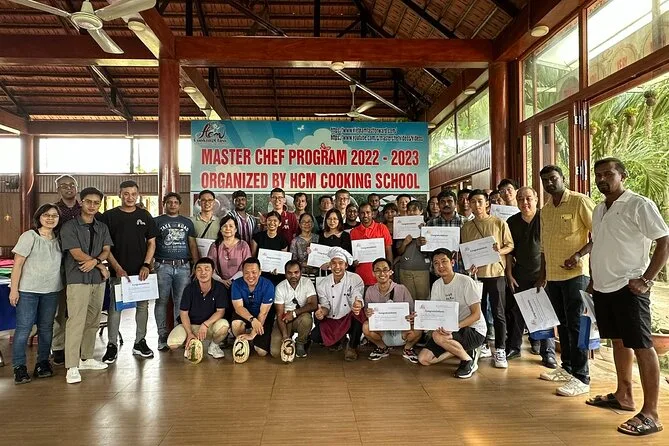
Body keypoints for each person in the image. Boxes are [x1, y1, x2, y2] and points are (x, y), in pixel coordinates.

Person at [585, 158, 669, 436]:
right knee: (618, 340)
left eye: (608, 174)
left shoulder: (639, 204)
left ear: (623, 176)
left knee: (642, 345)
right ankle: (624, 395)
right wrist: (594, 279)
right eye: (598, 175)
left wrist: (646, 280)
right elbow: (600, 244)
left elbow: (664, 240)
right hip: (604, 287)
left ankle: (651, 414)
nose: (602, 179)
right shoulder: (599, 208)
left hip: (630, 287)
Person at [537, 164, 595, 397]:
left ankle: (582, 376)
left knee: (576, 324)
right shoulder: (546, 209)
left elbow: (598, 234)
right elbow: (543, 246)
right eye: (545, 180)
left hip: (576, 275)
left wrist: (579, 255)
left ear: (562, 178)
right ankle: (568, 367)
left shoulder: (580, 201)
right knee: (561, 323)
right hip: (553, 276)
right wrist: (542, 274)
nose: (549, 183)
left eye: (553, 178)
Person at [100, 180, 159, 363]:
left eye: (133, 194)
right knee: (115, 308)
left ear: (138, 195)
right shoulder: (109, 216)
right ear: (120, 194)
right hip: (119, 271)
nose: (130, 197)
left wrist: (146, 265)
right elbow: (105, 246)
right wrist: (116, 267)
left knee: (143, 307)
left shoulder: (145, 215)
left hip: (141, 272)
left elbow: (152, 243)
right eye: (126, 194)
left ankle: (140, 342)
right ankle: (112, 345)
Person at [60, 188, 113, 384]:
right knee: (76, 321)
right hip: (77, 278)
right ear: (81, 202)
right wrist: (98, 264)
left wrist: (97, 262)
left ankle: (87, 357)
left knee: (93, 319)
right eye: (88, 201)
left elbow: (106, 249)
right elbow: (75, 252)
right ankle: (72, 366)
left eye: (96, 203)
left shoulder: (102, 226)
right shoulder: (70, 226)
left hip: (97, 280)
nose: (92, 206)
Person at [10, 204, 63, 384]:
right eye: (46, 215)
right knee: (24, 329)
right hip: (28, 291)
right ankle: (19, 367)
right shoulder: (29, 236)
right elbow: (17, 264)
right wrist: (14, 289)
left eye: (54, 215)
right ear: (39, 217)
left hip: (51, 291)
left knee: (46, 328)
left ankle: (43, 363)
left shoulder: (59, 239)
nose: (50, 218)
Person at [461, 189, 514, 368]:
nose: (476, 205)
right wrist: (469, 266)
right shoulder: (466, 227)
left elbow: (510, 246)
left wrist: (499, 250)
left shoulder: (499, 223)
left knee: (498, 312)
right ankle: (482, 344)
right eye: (473, 201)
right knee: (478, 312)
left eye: (480, 201)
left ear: (487, 204)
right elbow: (466, 251)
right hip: (476, 277)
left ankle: (500, 349)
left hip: (496, 273)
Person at [505, 187, 556, 368]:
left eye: (528, 198)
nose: (524, 202)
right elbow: (509, 251)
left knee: (544, 313)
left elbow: (550, 248)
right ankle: (514, 347)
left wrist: (544, 275)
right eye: (520, 199)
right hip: (519, 274)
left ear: (536, 199)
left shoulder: (545, 218)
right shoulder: (512, 222)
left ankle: (548, 353)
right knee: (517, 312)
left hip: (542, 274)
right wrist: (509, 274)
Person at [417, 249, 486, 379]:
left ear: (452, 262)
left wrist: (455, 327)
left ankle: (468, 361)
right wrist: (419, 316)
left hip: (473, 330)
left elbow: (476, 315)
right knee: (424, 359)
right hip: (449, 330)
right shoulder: (436, 285)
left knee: (437, 336)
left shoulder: (466, 281)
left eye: (444, 261)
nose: (440, 266)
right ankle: (461, 350)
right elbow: (435, 312)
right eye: (436, 263)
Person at [153, 192, 199, 352]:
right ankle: (162, 335)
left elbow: (192, 244)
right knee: (161, 301)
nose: (172, 205)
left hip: (183, 266)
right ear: (164, 204)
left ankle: (178, 335)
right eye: (169, 202)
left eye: (175, 202)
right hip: (162, 266)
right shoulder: (156, 221)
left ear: (180, 205)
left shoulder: (187, 222)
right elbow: (151, 243)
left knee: (181, 302)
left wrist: (196, 264)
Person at [167, 258, 230, 360]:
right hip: (191, 325)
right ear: (195, 272)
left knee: (224, 326)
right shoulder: (189, 289)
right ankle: (192, 343)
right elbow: (183, 313)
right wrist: (189, 333)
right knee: (172, 344)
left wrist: (205, 324)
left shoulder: (220, 288)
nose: (203, 272)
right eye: (199, 269)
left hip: (209, 326)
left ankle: (213, 346)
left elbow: (220, 312)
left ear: (213, 271)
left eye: (207, 269)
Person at [362, 258, 421, 363]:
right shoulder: (370, 291)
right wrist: (368, 313)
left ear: (390, 272)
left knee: (418, 327)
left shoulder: (402, 289)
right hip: (382, 333)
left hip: (402, 332)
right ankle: (382, 347)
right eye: (378, 270)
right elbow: (367, 313)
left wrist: (411, 317)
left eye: (385, 270)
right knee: (366, 326)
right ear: (373, 273)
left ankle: (408, 348)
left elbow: (412, 311)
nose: (382, 273)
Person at [312, 247, 365, 361]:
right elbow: (325, 306)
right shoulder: (323, 284)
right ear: (330, 265)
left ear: (346, 265)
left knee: (359, 314)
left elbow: (357, 295)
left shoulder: (355, 279)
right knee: (315, 336)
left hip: (349, 317)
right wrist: (322, 312)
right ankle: (340, 340)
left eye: (340, 263)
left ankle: (352, 347)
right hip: (333, 318)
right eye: (334, 263)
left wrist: (357, 304)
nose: (337, 267)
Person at [51, 174, 82, 366]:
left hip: (82, 265)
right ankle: (59, 346)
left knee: (78, 308)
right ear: (58, 190)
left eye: (72, 185)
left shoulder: (84, 209)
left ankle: (78, 345)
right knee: (60, 309)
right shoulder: (53, 211)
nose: (68, 188)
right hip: (59, 264)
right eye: (64, 185)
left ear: (77, 188)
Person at [230, 258, 276, 362]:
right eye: (246, 273)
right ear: (242, 272)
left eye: (254, 272)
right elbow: (238, 308)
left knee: (261, 352)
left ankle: (251, 337)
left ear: (260, 272)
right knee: (236, 324)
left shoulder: (268, 285)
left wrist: (252, 335)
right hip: (245, 314)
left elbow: (263, 313)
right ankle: (242, 344)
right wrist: (252, 320)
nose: (250, 276)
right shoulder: (236, 284)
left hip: (262, 316)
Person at [271, 260, 318, 360]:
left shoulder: (307, 282)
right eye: (289, 273)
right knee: (275, 352)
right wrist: (285, 337)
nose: (293, 276)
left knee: (307, 319)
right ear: (285, 273)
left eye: (296, 272)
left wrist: (294, 313)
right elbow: (279, 315)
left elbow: (313, 305)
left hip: (299, 318)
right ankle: (288, 338)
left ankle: (301, 342)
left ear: (301, 272)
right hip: (283, 320)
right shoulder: (280, 287)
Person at [350, 203, 393, 287]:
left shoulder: (382, 228)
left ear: (372, 214)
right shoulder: (353, 232)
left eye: (368, 212)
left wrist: (390, 272)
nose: (365, 215)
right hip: (361, 278)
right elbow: (352, 255)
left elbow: (389, 252)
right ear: (358, 215)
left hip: (381, 277)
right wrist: (353, 263)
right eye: (362, 213)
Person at [396, 200, 430, 302]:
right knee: (408, 301)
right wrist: (405, 243)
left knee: (423, 302)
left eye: (414, 210)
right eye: (409, 210)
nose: (411, 212)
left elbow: (431, 251)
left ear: (421, 211)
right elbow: (399, 252)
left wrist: (423, 235)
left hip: (422, 270)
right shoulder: (401, 227)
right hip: (405, 269)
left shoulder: (428, 227)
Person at [208, 215, 252, 288]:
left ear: (236, 229)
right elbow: (209, 267)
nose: (227, 228)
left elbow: (246, 267)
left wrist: (231, 281)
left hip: (239, 284)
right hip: (219, 284)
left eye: (231, 226)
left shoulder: (243, 245)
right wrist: (221, 281)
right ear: (220, 230)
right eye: (224, 226)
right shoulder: (215, 246)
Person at [252, 210, 288, 286]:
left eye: (275, 221)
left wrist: (279, 270)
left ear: (280, 223)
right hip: (259, 274)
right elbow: (253, 257)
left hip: (277, 275)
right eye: (269, 220)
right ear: (266, 221)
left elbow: (283, 262)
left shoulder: (283, 240)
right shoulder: (257, 237)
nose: (272, 223)